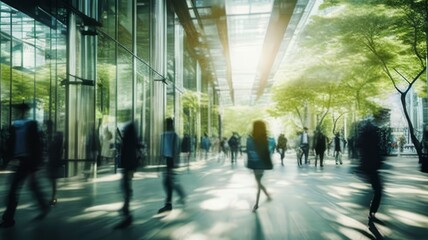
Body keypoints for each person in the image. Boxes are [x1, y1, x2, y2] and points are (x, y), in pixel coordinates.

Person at [0, 103, 49, 228]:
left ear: (25, 112)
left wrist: (35, 166)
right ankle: (43, 206)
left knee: (15, 189)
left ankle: (8, 218)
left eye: (20, 111)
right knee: (31, 187)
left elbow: (36, 145)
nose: (19, 113)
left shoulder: (31, 124)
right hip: (20, 161)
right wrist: (8, 160)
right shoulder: (15, 126)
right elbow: (11, 144)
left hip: (29, 161)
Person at [356, 112, 386, 222]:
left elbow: (359, 145)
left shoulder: (368, 129)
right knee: (378, 190)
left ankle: (371, 211)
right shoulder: (372, 130)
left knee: (376, 189)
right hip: (370, 165)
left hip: (368, 164)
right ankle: (371, 212)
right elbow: (373, 148)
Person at [158, 118, 186, 213]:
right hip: (168, 161)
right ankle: (176, 197)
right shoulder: (165, 134)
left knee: (168, 182)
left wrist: (174, 162)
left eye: (167, 123)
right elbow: (162, 149)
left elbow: (176, 150)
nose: (166, 125)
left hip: (171, 161)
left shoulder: (173, 135)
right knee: (169, 182)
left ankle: (169, 203)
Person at [246, 120, 275, 212]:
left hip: (255, 164)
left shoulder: (251, 140)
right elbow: (270, 150)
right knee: (258, 182)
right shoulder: (266, 140)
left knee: (258, 183)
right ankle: (267, 196)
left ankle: (257, 204)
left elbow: (249, 152)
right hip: (262, 165)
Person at [115, 121, 139, 228]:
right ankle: (126, 208)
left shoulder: (129, 142)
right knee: (126, 187)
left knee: (126, 187)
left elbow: (128, 154)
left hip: (128, 168)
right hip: (129, 168)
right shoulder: (129, 141)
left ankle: (127, 212)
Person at [47, 131, 64, 206]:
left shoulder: (54, 144)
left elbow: (49, 152)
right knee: (54, 182)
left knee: (53, 182)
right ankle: (53, 198)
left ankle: (53, 198)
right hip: (55, 164)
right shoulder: (59, 145)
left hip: (52, 164)